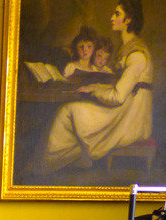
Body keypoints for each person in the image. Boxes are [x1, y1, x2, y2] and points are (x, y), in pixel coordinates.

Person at [42, 0, 152, 172]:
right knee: (72, 112)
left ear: (128, 20)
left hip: (131, 116)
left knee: (68, 111)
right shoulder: (128, 49)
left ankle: (44, 167)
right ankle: (51, 166)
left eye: (117, 14)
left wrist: (93, 88)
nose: (111, 18)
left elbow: (117, 96)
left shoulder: (136, 54)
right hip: (124, 109)